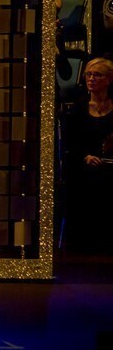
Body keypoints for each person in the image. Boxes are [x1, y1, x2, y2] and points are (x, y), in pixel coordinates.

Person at [63, 57, 113, 252]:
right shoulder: (78, 109)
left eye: (97, 75)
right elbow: (71, 142)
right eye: (88, 75)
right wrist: (86, 156)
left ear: (109, 79)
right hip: (84, 168)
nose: (91, 79)